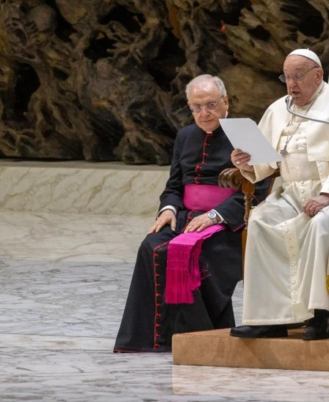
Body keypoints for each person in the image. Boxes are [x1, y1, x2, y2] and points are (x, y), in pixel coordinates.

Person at [229, 49, 329, 341]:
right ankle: (270, 319)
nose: (291, 85)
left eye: (298, 76)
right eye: (286, 77)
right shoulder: (279, 109)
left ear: (318, 75)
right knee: (261, 221)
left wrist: (328, 195)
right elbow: (266, 162)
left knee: (320, 223)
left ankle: (319, 317)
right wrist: (247, 163)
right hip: (291, 192)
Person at [114, 75, 270, 352]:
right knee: (151, 247)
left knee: (195, 254)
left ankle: (200, 338)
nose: (204, 113)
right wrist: (168, 209)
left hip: (230, 222)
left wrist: (214, 216)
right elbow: (174, 184)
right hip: (186, 218)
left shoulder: (248, 132)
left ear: (226, 102)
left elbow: (261, 186)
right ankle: (151, 340)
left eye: (210, 105)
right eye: (196, 107)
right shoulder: (185, 136)